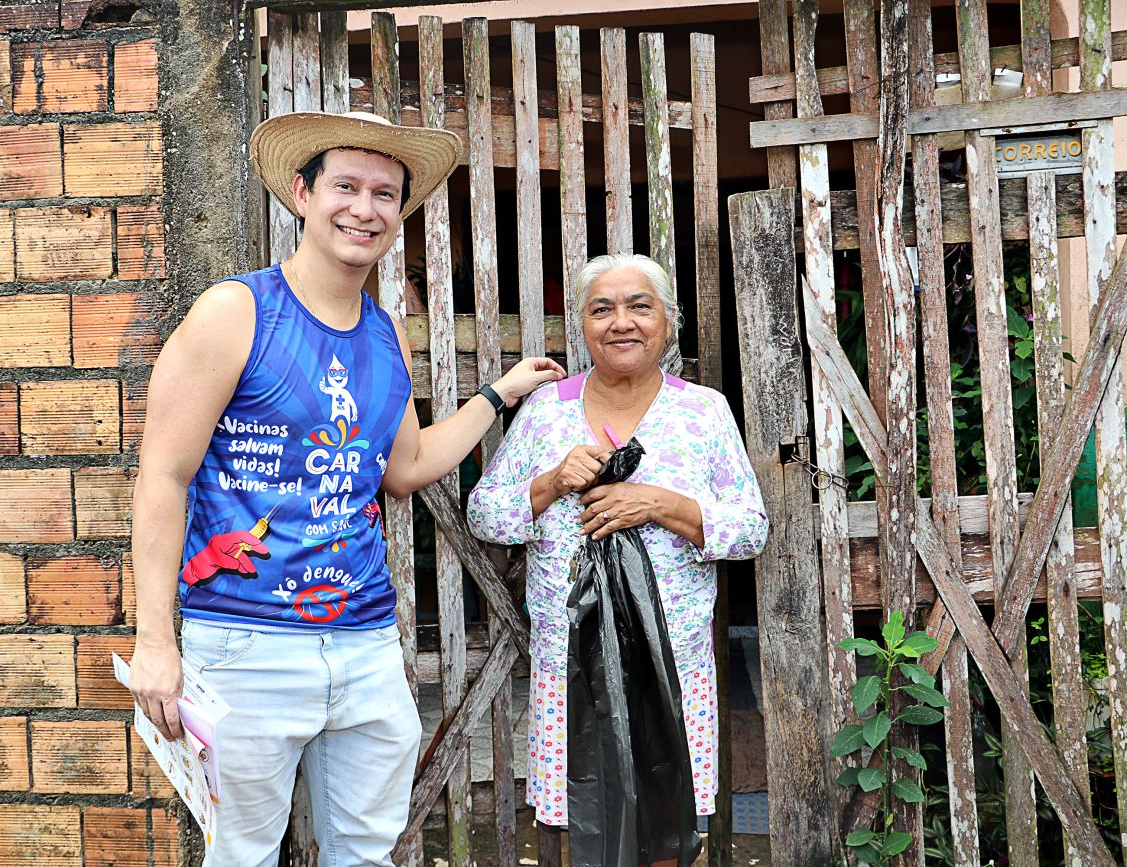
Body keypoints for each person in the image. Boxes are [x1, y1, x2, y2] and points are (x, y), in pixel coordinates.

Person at [127, 110, 565, 866]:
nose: (365, 208)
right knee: (243, 855)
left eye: (385, 194)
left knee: (365, 853)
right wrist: (154, 641)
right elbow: (162, 477)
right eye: (346, 186)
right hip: (246, 640)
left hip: (365, 641)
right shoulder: (237, 312)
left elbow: (406, 466)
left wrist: (498, 394)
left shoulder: (384, 333)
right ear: (303, 193)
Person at [467, 253, 768, 847]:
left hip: (672, 663)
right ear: (582, 326)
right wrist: (551, 483)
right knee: (582, 825)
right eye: (602, 309)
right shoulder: (546, 411)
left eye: (639, 306)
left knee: (668, 826)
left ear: (668, 322)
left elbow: (749, 529)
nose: (621, 322)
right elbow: (484, 515)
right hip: (572, 666)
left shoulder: (702, 411)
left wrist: (660, 504)